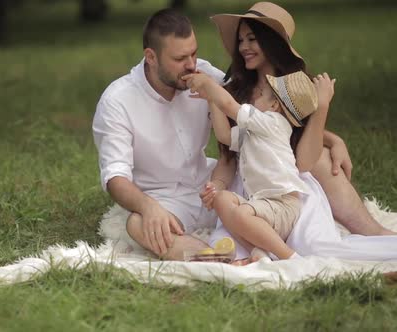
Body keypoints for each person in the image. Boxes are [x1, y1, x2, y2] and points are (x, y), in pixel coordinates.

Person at [204, 2, 397, 261]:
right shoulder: (234, 90)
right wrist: (216, 185)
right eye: (241, 40)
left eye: (252, 39)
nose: (244, 48)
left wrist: (323, 111)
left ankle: (374, 233)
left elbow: (300, 152)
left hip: (285, 182)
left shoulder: (293, 89)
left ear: (272, 42)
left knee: (318, 246)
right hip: (249, 182)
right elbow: (227, 150)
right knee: (227, 247)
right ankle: (268, 251)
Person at [92, 8, 235, 260]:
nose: (191, 64)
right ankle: (216, 258)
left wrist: (329, 139)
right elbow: (116, 176)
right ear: (151, 56)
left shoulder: (206, 76)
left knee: (280, 180)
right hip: (165, 200)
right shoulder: (118, 101)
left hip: (213, 184)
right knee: (138, 224)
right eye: (180, 58)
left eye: (194, 53)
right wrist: (148, 207)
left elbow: (257, 116)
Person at [184, 69, 332, 260]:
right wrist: (211, 100)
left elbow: (229, 105)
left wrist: (209, 85)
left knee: (242, 214)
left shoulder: (273, 123)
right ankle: (258, 251)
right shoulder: (256, 131)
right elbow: (225, 136)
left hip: (281, 205)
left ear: (274, 105)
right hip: (263, 205)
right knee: (222, 200)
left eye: (261, 95)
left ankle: (289, 257)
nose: (254, 98)